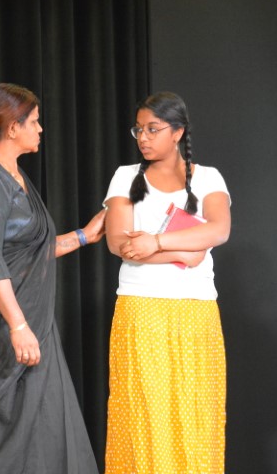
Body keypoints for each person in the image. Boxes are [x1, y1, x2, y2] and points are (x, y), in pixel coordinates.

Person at [0, 83, 103, 473]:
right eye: (35, 121)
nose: (41, 129)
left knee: (42, 424)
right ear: (13, 128)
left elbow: (29, 249)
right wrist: (18, 325)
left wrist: (84, 235)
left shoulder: (13, 173)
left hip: (22, 315)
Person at [102, 92, 231, 473]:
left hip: (196, 311)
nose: (143, 137)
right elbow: (119, 243)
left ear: (177, 132)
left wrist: (156, 242)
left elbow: (219, 230)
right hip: (141, 309)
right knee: (144, 415)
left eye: (152, 129)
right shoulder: (125, 176)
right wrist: (183, 253)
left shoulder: (207, 177)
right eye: (138, 130)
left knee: (195, 415)